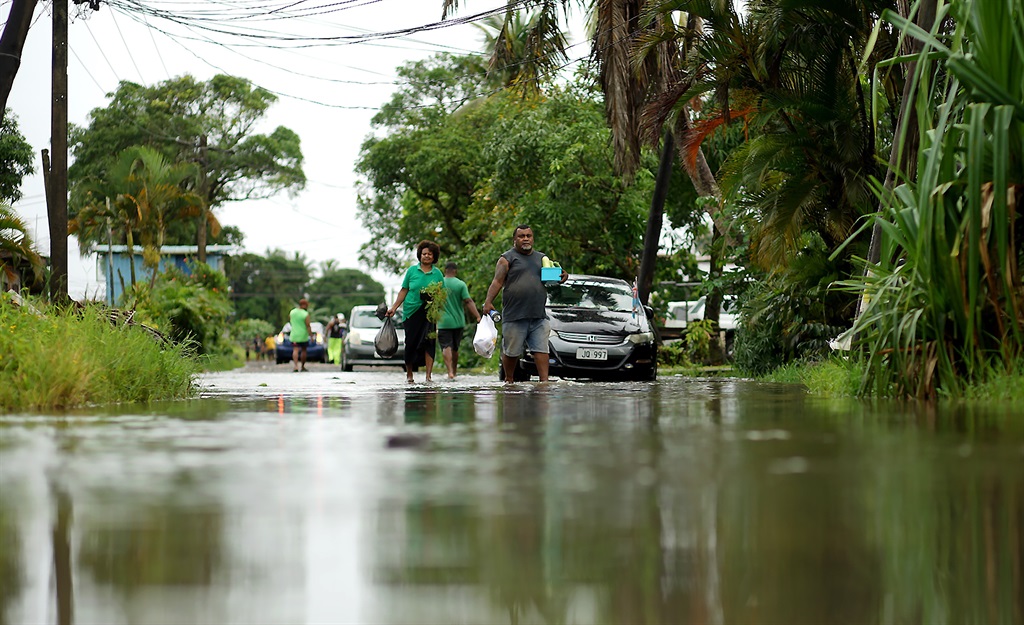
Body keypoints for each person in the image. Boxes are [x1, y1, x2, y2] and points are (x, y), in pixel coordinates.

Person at [482, 224, 567, 383]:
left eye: (529, 235)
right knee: (512, 352)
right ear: (515, 239)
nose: (526, 239)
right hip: (515, 315)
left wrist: (563, 276)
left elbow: (552, 278)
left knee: (541, 350)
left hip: (538, 315)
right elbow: (497, 282)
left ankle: (544, 382)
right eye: (522, 236)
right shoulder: (506, 258)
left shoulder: (542, 258)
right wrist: (488, 302)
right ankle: (509, 380)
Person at [387, 240, 444, 383]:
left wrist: (435, 300)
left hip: (430, 313)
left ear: (434, 256)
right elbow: (404, 290)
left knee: (429, 342)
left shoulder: (437, 273)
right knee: (411, 343)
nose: (426, 256)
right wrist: (394, 307)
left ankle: (428, 376)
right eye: (424, 254)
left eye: (430, 254)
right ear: (420, 255)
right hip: (411, 312)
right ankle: (409, 374)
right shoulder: (412, 271)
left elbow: (442, 294)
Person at [437, 262, 482, 379]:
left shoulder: (439, 284)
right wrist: (478, 316)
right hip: (458, 322)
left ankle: (449, 372)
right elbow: (468, 301)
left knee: (446, 346)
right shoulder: (460, 284)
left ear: (445, 270)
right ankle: (455, 371)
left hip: (443, 322)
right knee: (455, 348)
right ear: (455, 271)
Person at [289, 297, 313, 372]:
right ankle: (302, 366)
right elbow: (308, 325)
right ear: (304, 305)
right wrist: (311, 335)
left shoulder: (292, 312)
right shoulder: (305, 314)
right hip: (303, 335)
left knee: (295, 350)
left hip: (294, 335)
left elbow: (290, 321)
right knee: (303, 350)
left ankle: (296, 366)